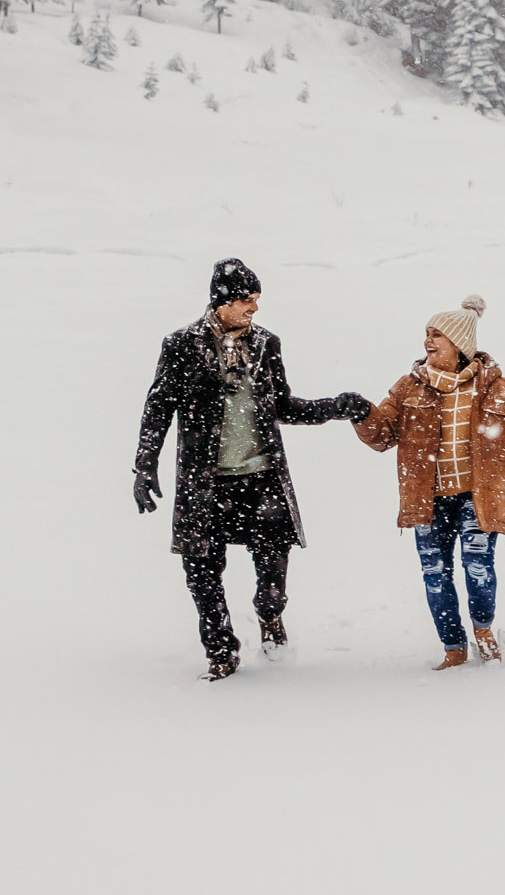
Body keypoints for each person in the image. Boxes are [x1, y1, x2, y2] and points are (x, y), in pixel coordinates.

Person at [133, 258, 371, 680]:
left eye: (257, 300)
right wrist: (144, 465)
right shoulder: (181, 345)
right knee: (202, 575)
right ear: (221, 300)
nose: (254, 309)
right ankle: (221, 651)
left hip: (261, 479)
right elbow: (158, 406)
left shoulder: (266, 344)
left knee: (273, 579)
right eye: (246, 300)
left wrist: (335, 407)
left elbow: (283, 407)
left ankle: (269, 615)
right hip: (204, 482)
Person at [354, 295, 505, 669]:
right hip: (426, 499)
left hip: (478, 497)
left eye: (437, 335)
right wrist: (362, 414)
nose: (428, 342)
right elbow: (381, 435)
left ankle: (482, 630)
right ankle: (453, 647)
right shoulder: (409, 388)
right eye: (426, 335)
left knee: (478, 568)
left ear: (460, 343)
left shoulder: (503, 390)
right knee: (435, 573)